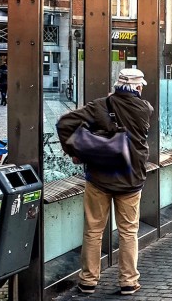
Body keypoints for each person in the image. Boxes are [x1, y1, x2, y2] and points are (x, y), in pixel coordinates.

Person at [56, 68, 153, 296]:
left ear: (118, 85)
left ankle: (88, 280)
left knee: (93, 230)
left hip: (99, 177)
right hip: (130, 178)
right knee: (129, 231)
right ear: (138, 87)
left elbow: (64, 123)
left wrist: (75, 151)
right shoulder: (145, 108)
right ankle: (128, 281)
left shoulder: (99, 106)